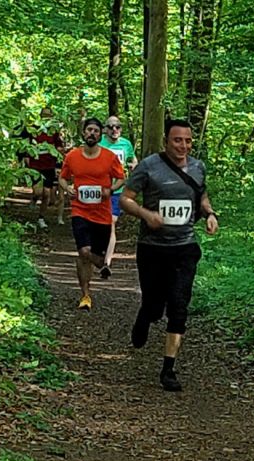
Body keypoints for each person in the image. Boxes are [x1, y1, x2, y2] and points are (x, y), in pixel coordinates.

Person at [120, 118, 218, 392]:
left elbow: (201, 196)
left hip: (184, 248)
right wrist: (145, 214)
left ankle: (168, 369)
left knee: (179, 306)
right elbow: (126, 198)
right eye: (177, 140)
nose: (183, 146)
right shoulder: (149, 166)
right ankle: (145, 315)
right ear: (166, 141)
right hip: (152, 248)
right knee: (154, 306)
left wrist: (210, 214)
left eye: (188, 141)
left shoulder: (198, 167)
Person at [59, 118, 127, 309]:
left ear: (100, 134)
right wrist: (68, 188)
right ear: (83, 132)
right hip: (80, 210)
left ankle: (102, 264)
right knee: (83, 252)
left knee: (95, 255)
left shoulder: (109, 157)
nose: (92, 133)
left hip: (102, 214)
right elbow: (63, 178)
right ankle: (85, 295)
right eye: (89, 130)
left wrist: (110, 190)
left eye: (96, 131)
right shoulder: (72, 156)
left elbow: (120, 178)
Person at [97, 115, 138, 279]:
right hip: (99, 190)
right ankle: (98, 253)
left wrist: (133, 166)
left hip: (117, 190)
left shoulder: (126, 144)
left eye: (118, 127)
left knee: (111, 222)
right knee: (98, 223)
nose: (115, 130)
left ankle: (107, 263)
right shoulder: (99, 143)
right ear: (105, 129)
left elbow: (133, 160)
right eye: (111, 127)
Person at [25, 107, 65, 228]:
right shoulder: (34, 129)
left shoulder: (54, 131)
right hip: (35, 165)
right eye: (44, 116)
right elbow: (26, 145)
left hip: (49, 165)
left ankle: (41, 218)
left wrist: (59, 154)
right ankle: (34, 198)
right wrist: (27, 159)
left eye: (49, 116)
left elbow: (59, 146)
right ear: (40, 116)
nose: (46, 118)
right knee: (38, 191)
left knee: (47, 193)